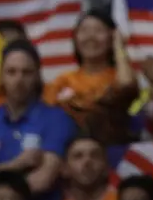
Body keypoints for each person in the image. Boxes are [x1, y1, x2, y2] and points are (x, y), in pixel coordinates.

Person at [0, 40, 78, 200]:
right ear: (1, 77)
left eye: (26, 72)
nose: (18, 80)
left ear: (37, 76)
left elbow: (42, 180)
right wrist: (16, 165)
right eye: (11, 72)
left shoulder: (57, 119)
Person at [44, 11, 139, 144]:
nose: (90, 37)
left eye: (98, 30)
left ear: (112, 37)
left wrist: (119, 46)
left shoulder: (119, 76)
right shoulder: (64, 80)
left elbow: (127, 85)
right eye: (84, 30)